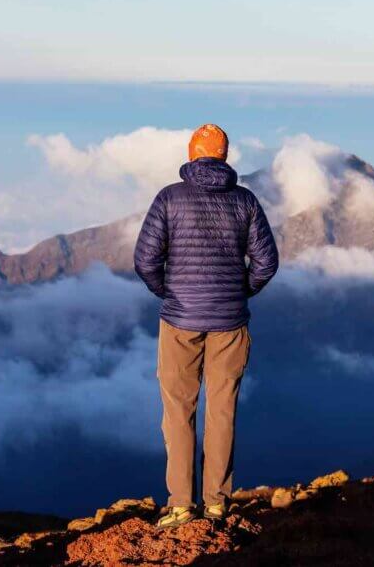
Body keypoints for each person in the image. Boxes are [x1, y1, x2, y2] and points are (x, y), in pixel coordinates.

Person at [134, 123, 279, 528]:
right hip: (230, 324)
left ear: (191, 152)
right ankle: (216, 503)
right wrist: (238, 291)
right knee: (222, 412)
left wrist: (171, 293)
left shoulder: (169, 199)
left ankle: (181, 504)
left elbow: (145, 260)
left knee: (178, 412)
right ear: (226, 156)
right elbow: (266, 262)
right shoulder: (245, 202)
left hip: (179, 322)